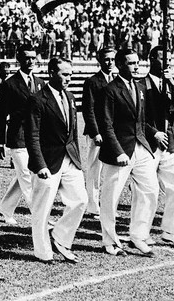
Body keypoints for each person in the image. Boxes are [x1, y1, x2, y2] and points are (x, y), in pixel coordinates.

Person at [25, 57, 87, 263]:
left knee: (80, 200)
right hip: (47, 162)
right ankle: (43, 252)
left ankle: (59, 237)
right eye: (64, 74)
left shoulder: (69, 97)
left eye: (71, 74)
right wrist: (40, 165)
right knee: (42, 209)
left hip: (69, 158)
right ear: (52, 73)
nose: (69, 78)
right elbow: (32, 135)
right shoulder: (37, 99)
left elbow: (73, 132)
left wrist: (78, 160)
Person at [99, 48, 159, 257]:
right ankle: (110, 241)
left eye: (137, 62)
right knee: (111, 197)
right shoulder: (110, 90)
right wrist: (118, 152)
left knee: (150, 191)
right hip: (119, 151)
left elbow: (141, 122)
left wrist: (153, 134)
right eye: (131, 63)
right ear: (119, 65)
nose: (136, 66)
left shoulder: (140, 87)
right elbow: (106, 125)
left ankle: (138, 236)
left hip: (140, 148)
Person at [142, 46, 174, 248]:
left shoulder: (171, 85)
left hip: (170, 143)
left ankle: (170, 230)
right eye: (162, 58)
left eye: (169, 59)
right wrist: (153, 132)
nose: (167, 62)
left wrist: (171, 82)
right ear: (152, 59)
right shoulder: (140, 85)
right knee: (146, 192)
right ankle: (141, 232)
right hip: (148, 144)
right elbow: (134, 118)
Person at [0, 44, 45, 225]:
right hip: (18, 137)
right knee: (27, 177)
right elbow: (0, 115)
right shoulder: (10, 84)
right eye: (26, 58)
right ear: (19, 59)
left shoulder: (40, 83)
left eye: (33, 57)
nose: (30, 61)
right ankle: (41, 217)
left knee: (24, 175)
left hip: (37, 137)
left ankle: (5, 208)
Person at [81, 47, 115, 218]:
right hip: (98, 133)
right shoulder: (92, 81)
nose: (110, 63)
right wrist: (95, 133)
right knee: (95, 169)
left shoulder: (117, 80)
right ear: (100, 60)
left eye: (112, 59)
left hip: (113, 132)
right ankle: (93, 206)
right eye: (107, 59)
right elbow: (88, 109)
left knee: (112, 169)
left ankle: (108, 204)